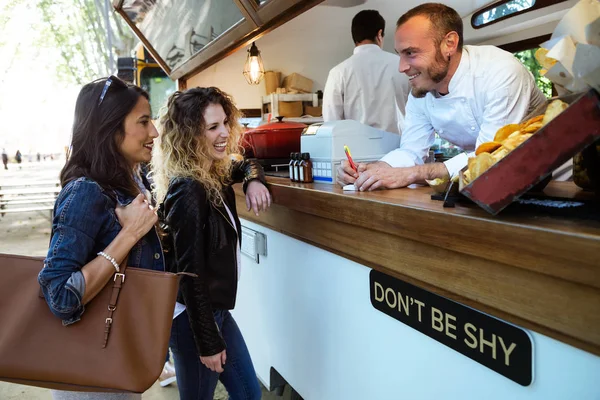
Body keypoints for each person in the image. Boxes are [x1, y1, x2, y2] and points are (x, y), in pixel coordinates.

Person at [38, 75, 161, 400]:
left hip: (116, 356)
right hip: (89, 373)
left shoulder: (127, 186)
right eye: (144, 122)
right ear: (110, 127)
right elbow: (59, 296)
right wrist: (129, 235)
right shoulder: (84, 192)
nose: (155, 132)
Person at [337, 3, 547, 190]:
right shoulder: (421, 90)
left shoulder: (500, 71)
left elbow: (490, 157)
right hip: (485, 183)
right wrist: (373, 170)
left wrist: (415, 173)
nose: (401, 67)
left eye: (410, 53)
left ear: (449, 44)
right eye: (400, 54)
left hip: (549, 177)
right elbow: (411, 150)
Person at [152, 87, 270, 400]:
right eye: (212, 127)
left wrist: (254, 179)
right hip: (191, 317)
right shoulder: (189, 189)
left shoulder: (211, 171)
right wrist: (207, 341)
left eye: (225, 123)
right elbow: (189, 275)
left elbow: (244, 163)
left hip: (213, 311)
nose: (224, 133)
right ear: (190, 136)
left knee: (248, 395)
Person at [323, 9, 409, 134]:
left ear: (354, 36)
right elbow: (418, 111)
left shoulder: (338, 72)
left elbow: (331, 123)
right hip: (398, 148)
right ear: (379, 34)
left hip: (354, 150)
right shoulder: (402, 65)